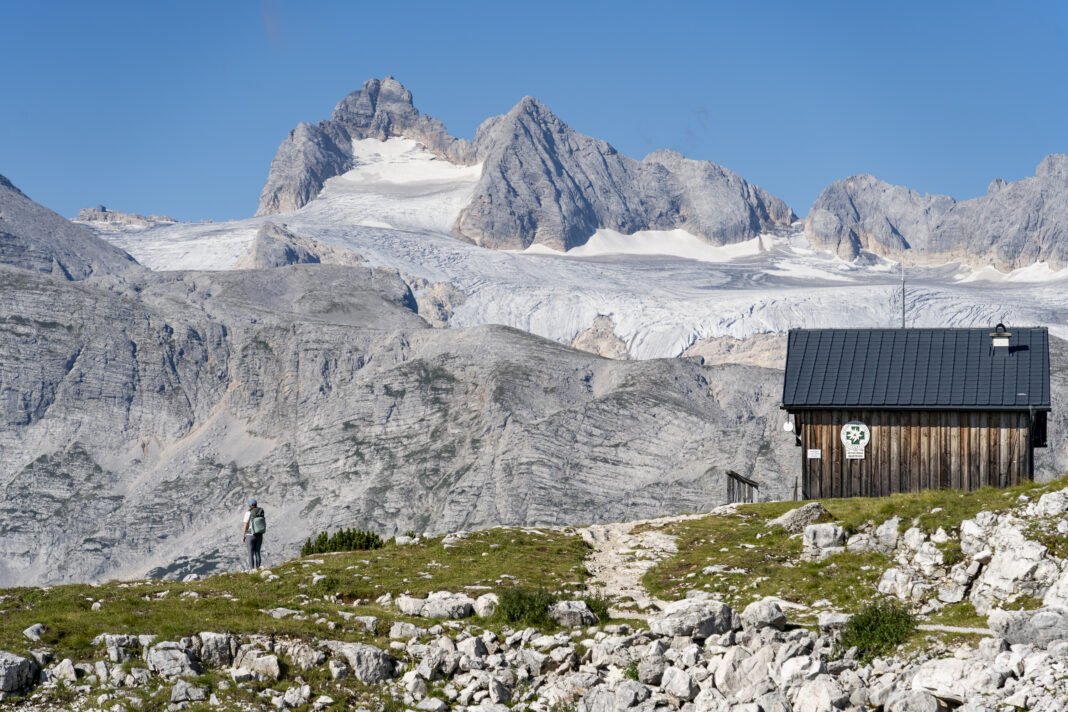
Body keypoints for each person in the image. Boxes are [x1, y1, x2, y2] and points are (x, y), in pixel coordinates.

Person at [242, 499, 266, 570]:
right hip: (259, 534)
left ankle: (252, 570)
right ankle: (258, 568)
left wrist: (243, 535)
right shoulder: (261, 511)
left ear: (249, 505)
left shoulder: (248, 513)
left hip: (250, 535)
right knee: (257, 552)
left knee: (251, 553)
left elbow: (245, 524)